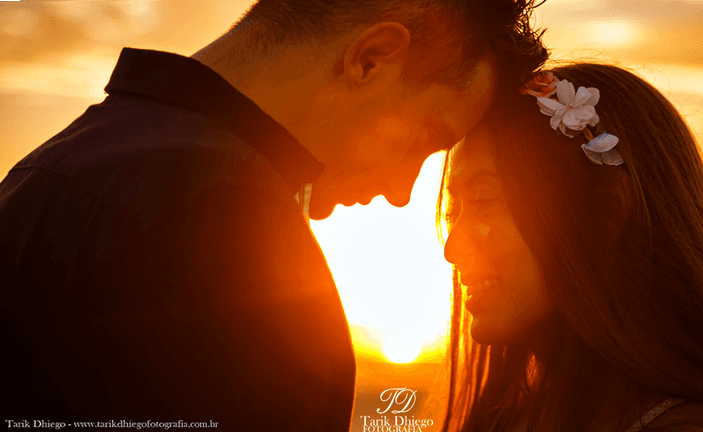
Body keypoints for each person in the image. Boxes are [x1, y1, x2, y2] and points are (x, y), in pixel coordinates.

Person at [0, 0, 548, 428]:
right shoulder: (225, 231)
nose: (403, 193)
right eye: (427, 140)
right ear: (370, 58)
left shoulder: (55, 163)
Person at [438, 63, 703, 432]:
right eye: (452, 211)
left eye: (484, 200)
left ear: (606, 212)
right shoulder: (506, 420)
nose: (452, 250)